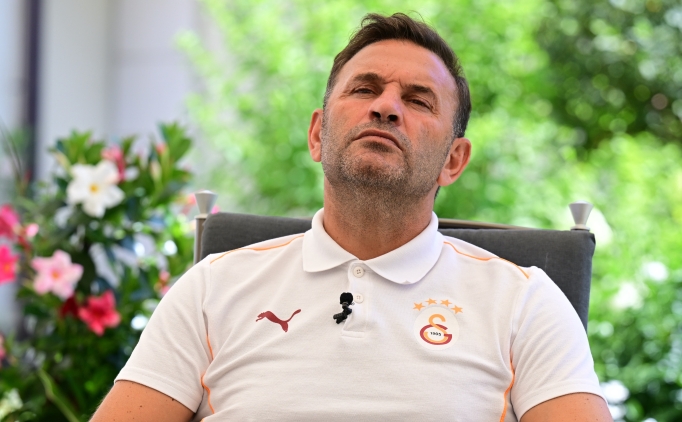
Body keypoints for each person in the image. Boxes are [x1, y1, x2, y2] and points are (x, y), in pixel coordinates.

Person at [91, 13, 611, 422]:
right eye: (364, 89)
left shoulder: (524, 303)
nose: (386, 107)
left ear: (453, 161)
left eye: (418, 100)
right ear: (317, 135)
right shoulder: (211, 290)